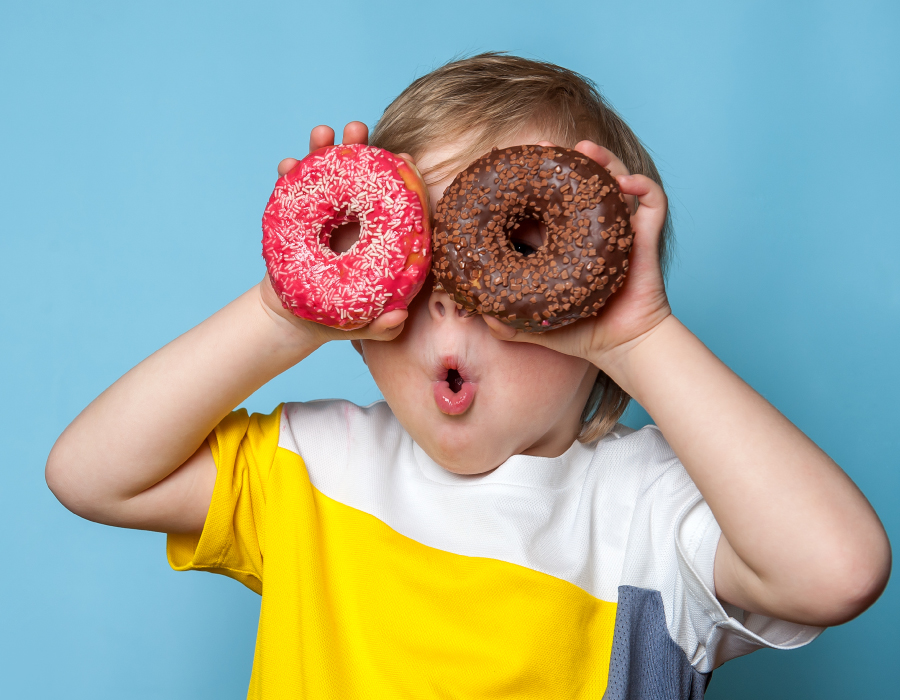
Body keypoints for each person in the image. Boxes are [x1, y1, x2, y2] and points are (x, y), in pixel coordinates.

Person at [45, 53, 891, 699]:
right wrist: (284, 312)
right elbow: (91, 476)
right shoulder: (313, 469)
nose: (449, 301)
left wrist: (640, 337)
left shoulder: (651, 517)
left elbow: (838, 571)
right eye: (414, 263)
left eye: (516, 253)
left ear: (592, 284)